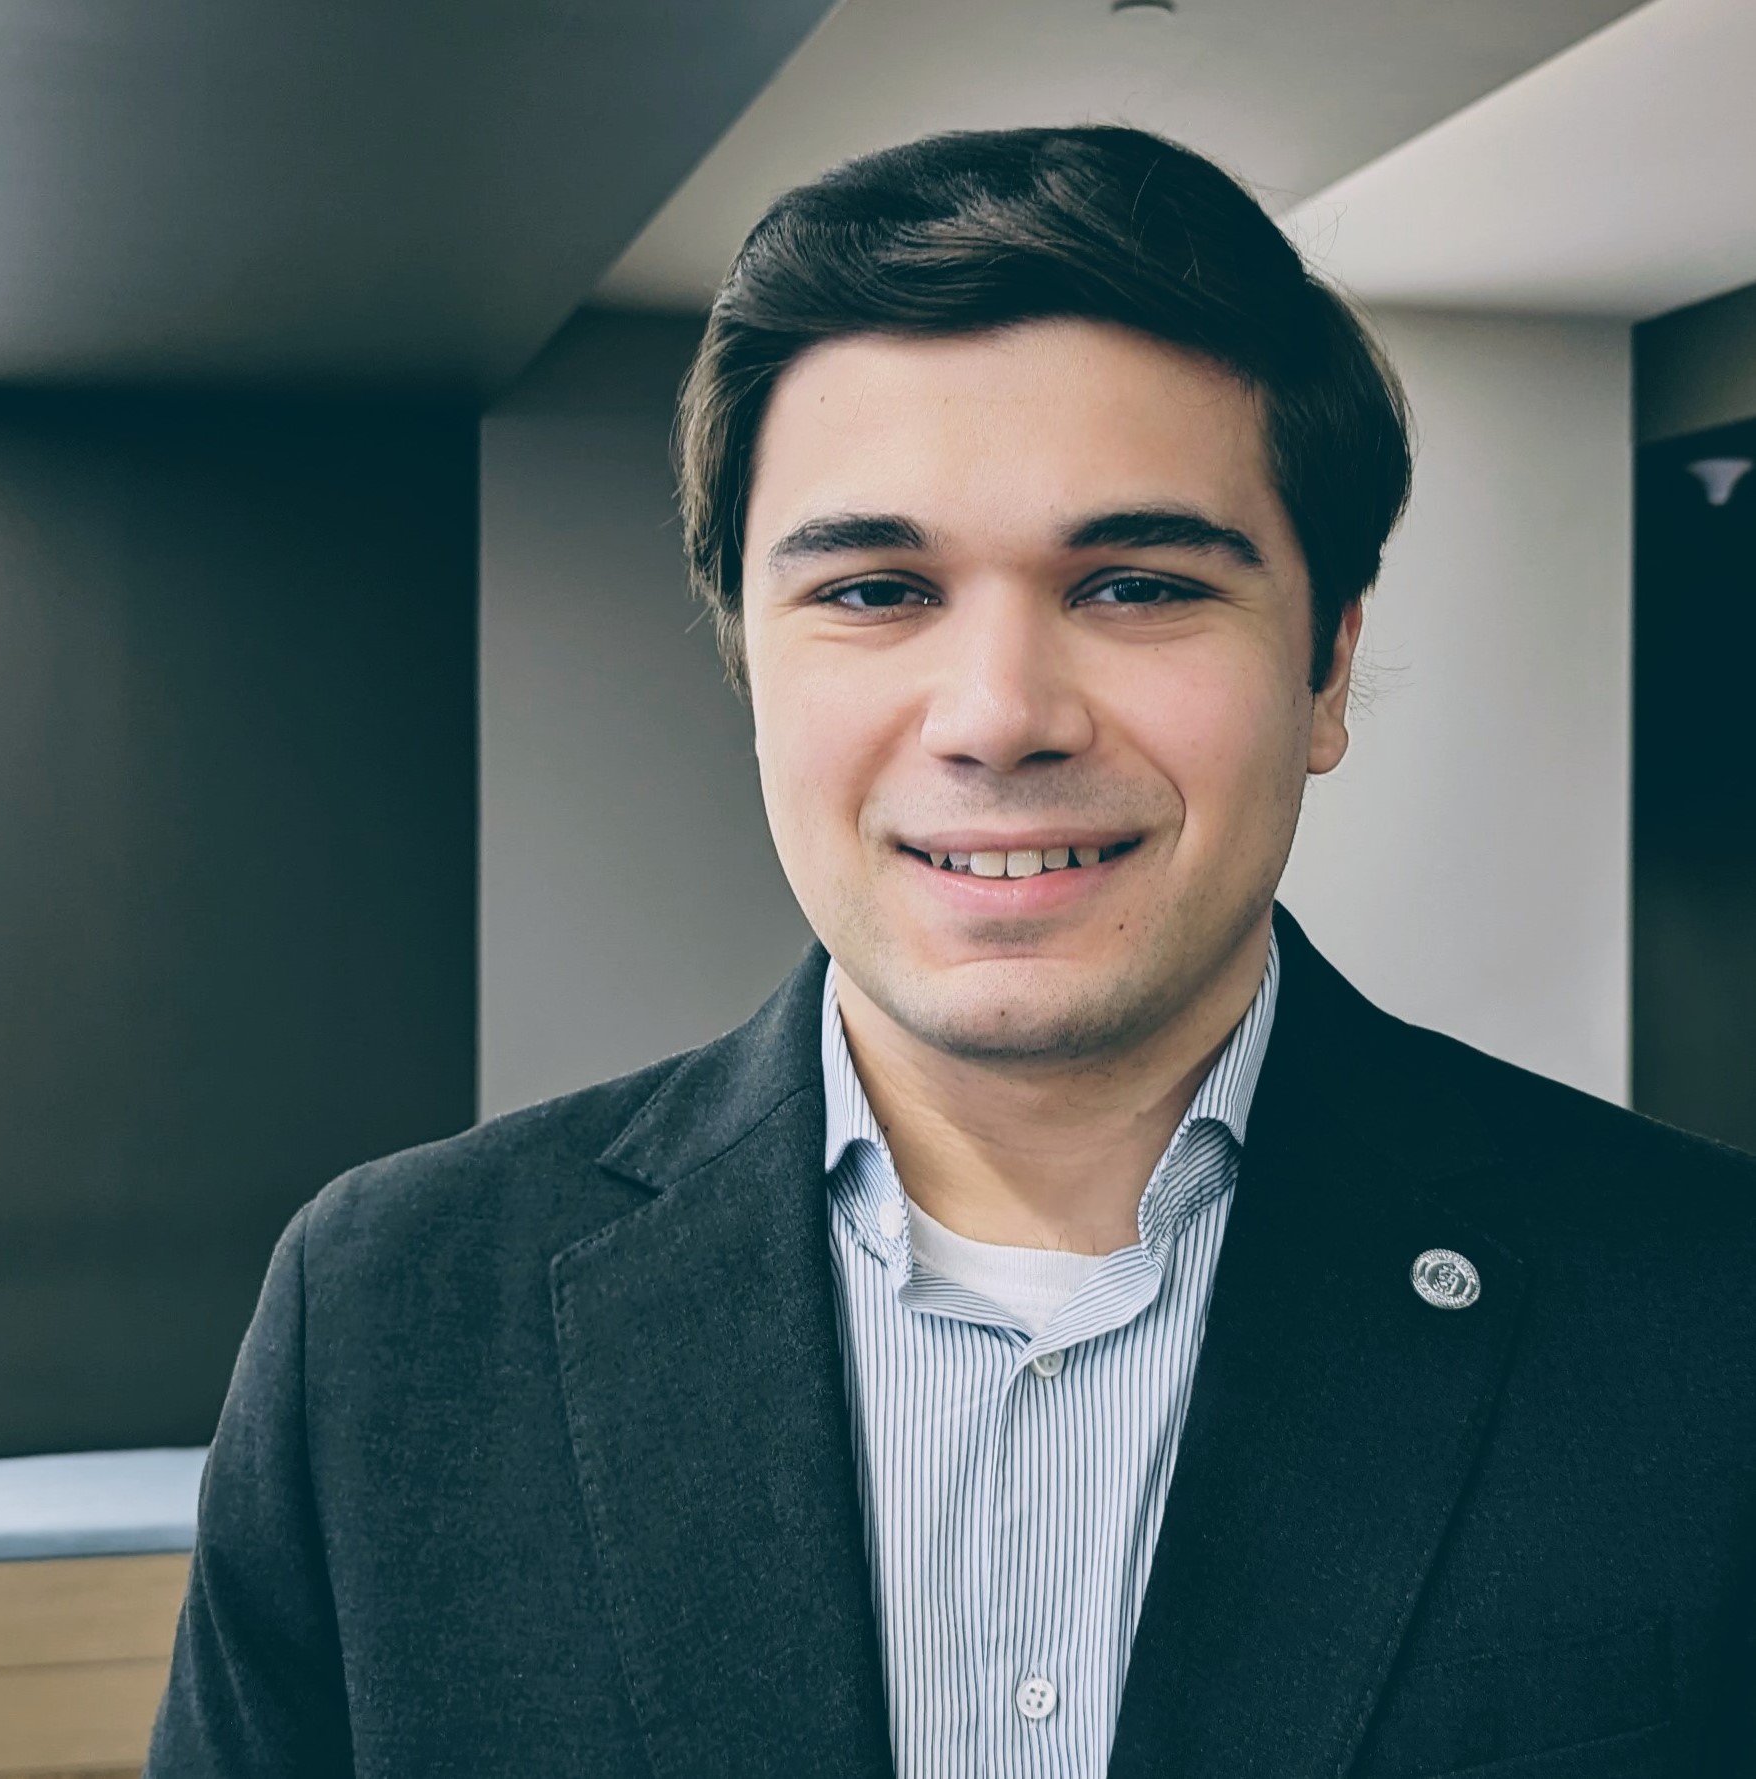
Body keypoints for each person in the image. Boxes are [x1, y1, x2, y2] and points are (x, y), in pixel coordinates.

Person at [146, 126, 1756, 1778]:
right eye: (873, 590)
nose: (1000, 719)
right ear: (747, 665)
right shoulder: (393, 1315)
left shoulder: (1709, 1317)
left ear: (1328, 665)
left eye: (1133, 583)